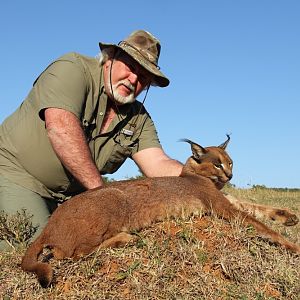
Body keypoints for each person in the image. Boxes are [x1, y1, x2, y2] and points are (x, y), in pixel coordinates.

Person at [0, 30, 183, 250]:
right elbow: (60, 128)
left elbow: (157, 163)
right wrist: (103, 196)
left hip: (72, 198)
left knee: (87, 241)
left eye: (144, 77)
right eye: (131, 67)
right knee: (44, 250)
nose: (134, 79)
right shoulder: (72, 68)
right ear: (110, 58)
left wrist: (201, 179)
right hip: (16, 174)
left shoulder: (139, 117)